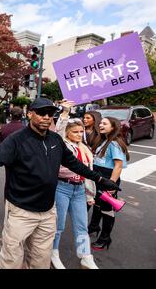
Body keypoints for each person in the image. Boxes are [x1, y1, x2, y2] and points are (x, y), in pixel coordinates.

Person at [0, 97, 120, 269]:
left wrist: (99, 179)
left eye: (50, 113)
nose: (46, 117)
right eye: (41, 113)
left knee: (41, 261)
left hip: (47, 212)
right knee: (11, 261)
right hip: (20, 212)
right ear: (30, 114)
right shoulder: (16, 140)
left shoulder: (55, 140)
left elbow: (74, 164)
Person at [51, 107, 99, 269]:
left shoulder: (84, 148)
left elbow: (88, 173)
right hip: (62, 188)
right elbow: (58, 131)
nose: (79, 134)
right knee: (59, 225)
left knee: (81, 225)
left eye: (81, 131)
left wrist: (89, 195)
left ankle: (85, 255)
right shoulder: (62, 144)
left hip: (79, 190)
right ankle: (53, 253)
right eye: (75, 132)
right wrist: (64, 113)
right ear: (67, 133)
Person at [88, 117, 129, 251]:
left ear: (113, 127)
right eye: (100, 123)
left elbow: (118, 166)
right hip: (99, 177)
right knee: (98, 204)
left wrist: (111, 184)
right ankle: (94, 226)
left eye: (105, 123)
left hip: (108, 179)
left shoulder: (115, 143)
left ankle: (105, 238)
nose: (100, 125)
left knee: (107, 209)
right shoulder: (104, 140)